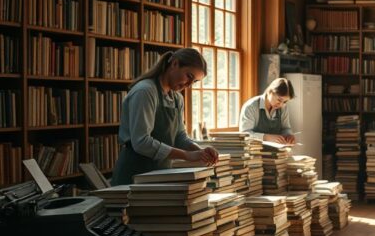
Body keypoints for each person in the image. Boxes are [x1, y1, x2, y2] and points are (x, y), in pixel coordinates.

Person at [111, 48, 219, 185]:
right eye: (189, 76)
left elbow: (180, 136)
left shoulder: (177, 99)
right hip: (134, 175)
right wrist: (187, 155)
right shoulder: (145, 91)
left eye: (194, 82)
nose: (189, 85)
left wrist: (200, 151)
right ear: (174, 64)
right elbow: (141, 142)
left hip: (161, 174)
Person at [239, 78, 296, 144]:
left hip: (277, 151)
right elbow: (244, 134)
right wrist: (266, 137)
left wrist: (289, 135)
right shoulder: (251, 106)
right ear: (270, 92)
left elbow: (285, 128)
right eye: (279, 100)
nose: (281, 104)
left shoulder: (283, 107)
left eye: (285, 101)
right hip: (254, 151)